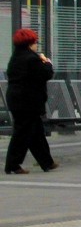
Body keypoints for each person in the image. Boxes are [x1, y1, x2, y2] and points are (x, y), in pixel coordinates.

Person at [5, 28, 58, 174]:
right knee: (22, 133)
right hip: (27, 102)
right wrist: (47, 62)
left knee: (35, 132)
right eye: (35, 42)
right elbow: (45, 74)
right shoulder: (32, 58)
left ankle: (47, 162)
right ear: (30, 43)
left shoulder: (15, 57)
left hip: (16, 99)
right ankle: (12, 165)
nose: (36, 44)